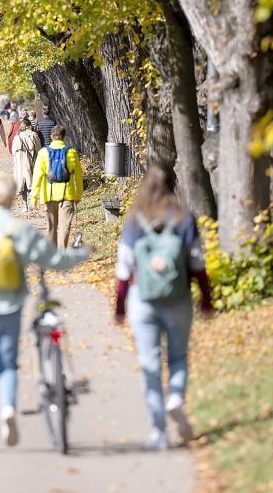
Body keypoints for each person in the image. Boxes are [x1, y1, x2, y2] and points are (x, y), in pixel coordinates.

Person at [0, 173, 88, 454]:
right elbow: (54, 259)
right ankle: (9, 407)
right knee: (8, 364)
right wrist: (81, 255)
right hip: (10, 306)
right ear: (12, 198)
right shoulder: (20, 230)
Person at [114, 164, 214, 450]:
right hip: (178, 298)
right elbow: (198, 265)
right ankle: (176, 398)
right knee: (179, 357)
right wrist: (206, 300)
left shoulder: (135, 221)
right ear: (173, 185)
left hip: (142, 300)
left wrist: (119, 307)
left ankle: (158, 431)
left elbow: (124, 269)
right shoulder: (184, 218)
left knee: (150, 363)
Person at [30, 125, 83, 248]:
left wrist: (33, 198)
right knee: (64, 227)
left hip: (49, 196)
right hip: (67, 195)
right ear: (64, 137)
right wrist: (78, 195)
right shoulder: (71, 152)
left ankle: (52, 256)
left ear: (51, 137)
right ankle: (62, 254)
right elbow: (79, 176)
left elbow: (37, 176)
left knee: (51, 228)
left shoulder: (43, 153)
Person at [12, 118, 41, 211]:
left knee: (22, 184)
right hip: (31, 162)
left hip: (19, 164)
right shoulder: (33, 135)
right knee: (31, 182)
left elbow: (13, 152)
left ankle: (25, 205)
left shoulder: (17, 137)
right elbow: (39, 150)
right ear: (29, 125)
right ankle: (32, 203)